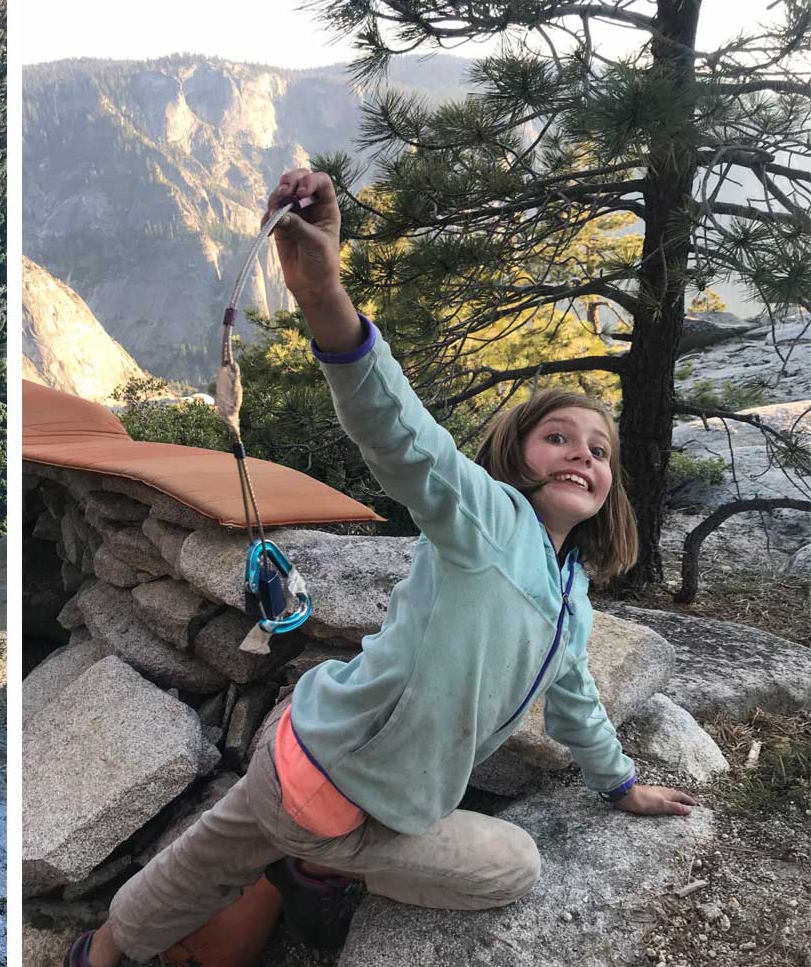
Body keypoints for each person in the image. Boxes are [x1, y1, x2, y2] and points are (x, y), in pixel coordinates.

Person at [65, 169, 698, 967]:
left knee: (208, 859)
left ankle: (99, 949)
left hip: (301, 750)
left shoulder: (571, 596)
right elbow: (400, 432)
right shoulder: (485, 518)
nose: (582, 454)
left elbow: (571, 697)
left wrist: (619, 782)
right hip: (339, 794)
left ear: (612, 491)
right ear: (513, 459)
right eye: (559, 439)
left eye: (599, 450)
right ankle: (315, 868)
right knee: (512, 864)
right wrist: (324, 293)